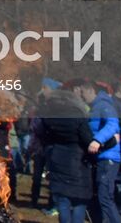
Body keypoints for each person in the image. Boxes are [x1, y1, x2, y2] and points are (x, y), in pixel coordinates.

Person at [39, 79, 95, 223]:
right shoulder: (78, 116)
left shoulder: (50, 116)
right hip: (78, 161)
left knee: (63, 201)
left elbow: (42, 135)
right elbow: (87, 139)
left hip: (57, 158)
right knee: (79, 201)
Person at [82, 80, 121, 223]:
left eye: (83, 93)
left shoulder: (104, 105)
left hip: (108, 157)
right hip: (100, 158)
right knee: (98, 196)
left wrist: (97, 140)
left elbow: (112, 124)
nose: (82, 96)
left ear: (91, 91)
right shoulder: (93, 107)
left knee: (105, 196)